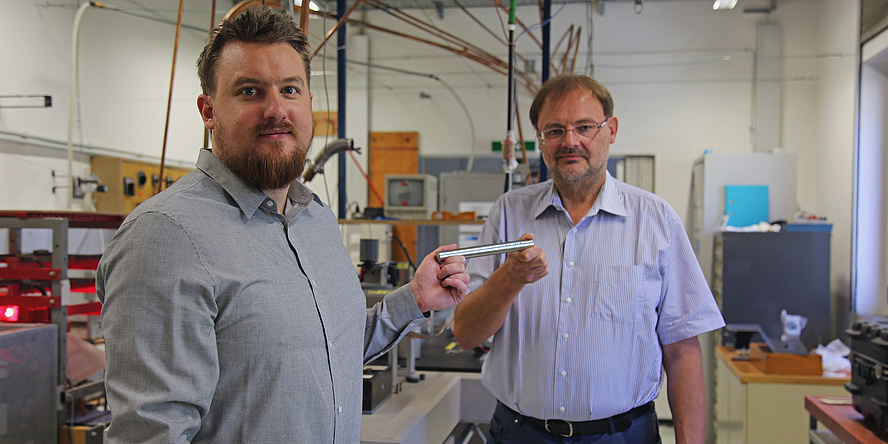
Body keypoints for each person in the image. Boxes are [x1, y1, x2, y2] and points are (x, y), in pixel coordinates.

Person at [96, 7, 469, 443]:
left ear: (309, 103)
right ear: (208, 110)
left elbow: (329, 348)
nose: (276, 110)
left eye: (289, 90)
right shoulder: (165, 236)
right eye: (250, 91)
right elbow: (151, 433)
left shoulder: (315, 218)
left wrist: (414, 299)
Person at [452, 74, 725, 444]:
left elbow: (682, 353)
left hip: (623, 435)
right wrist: (511, 278)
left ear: (610, 130)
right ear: (540, 138)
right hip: (521, 434)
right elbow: (467, 333)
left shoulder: (656, 220)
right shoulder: (509, 214)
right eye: (554, 130)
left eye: (584, 127)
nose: (570, 141)